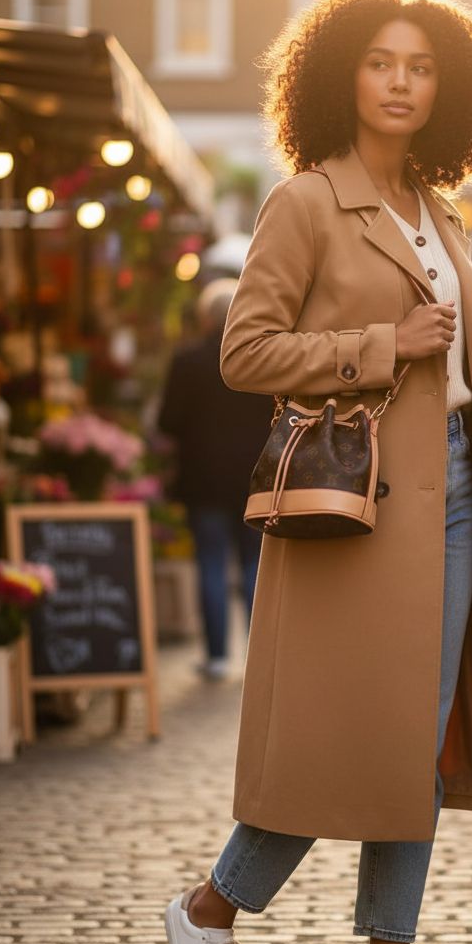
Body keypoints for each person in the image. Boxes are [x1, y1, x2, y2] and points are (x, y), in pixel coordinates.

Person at [164, 0, 472, 944]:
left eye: (421, 66)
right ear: (343, 74)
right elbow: (247, 352)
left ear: (451, 87)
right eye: (381, 62)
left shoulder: (440, 210)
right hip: (356, 508)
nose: (402, 82)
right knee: (339, 744)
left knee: (413, 747)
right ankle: (206, 910)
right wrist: (379, 347)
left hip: (456, 498)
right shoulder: (305, 202)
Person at [157, 279, 272, 678]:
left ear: (206, 319)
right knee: (256, 564)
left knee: (211, 563)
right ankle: (259, 658)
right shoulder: (261, 358)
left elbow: (166, 422)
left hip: (203, 478)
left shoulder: (187, 360)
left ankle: (217, 657)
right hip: (256, 476)